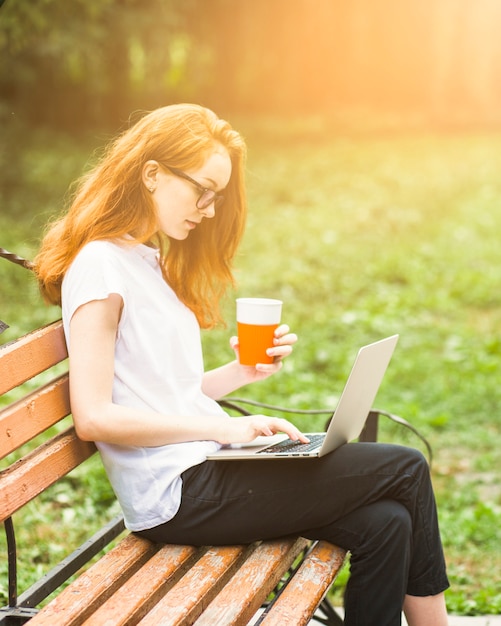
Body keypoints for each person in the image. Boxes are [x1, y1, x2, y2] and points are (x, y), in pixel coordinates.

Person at [34, 103, 449, 626]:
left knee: (386, 522)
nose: (209, 209)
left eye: (217, 196)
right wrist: (227, 428)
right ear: (152, 173)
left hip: (205, 469)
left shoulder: (143, 258)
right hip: (178, 495)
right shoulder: (99, 266)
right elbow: (94, 417)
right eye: (202, 190)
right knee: (404, 467)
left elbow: (165, 391)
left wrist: (240, 376)